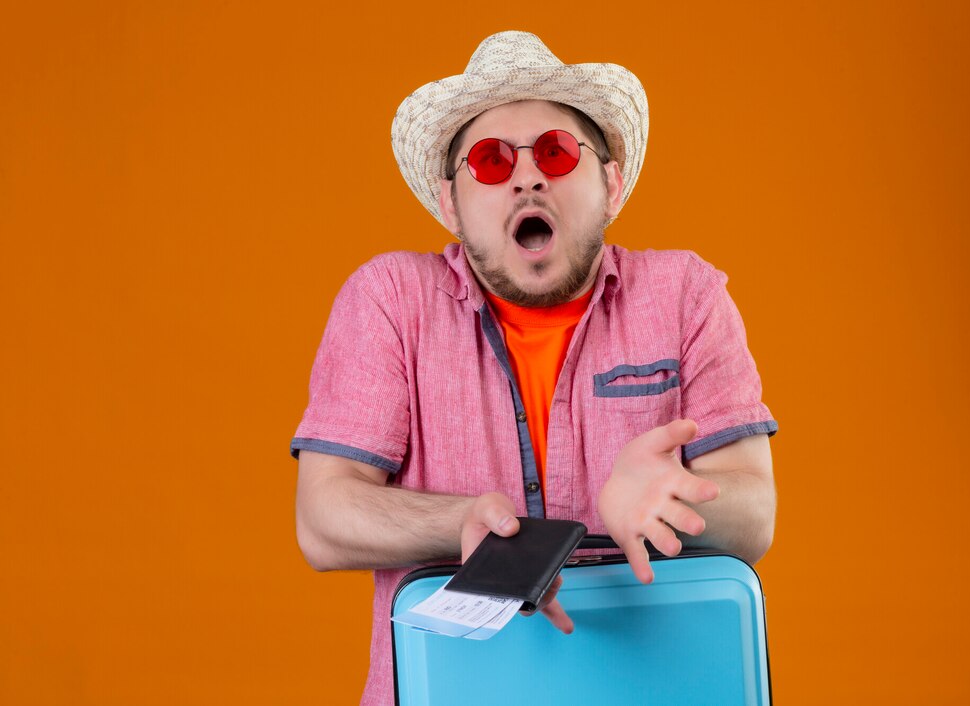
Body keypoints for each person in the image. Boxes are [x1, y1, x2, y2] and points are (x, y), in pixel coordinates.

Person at [291, 31, 777, 704]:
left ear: (607, 184)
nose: (527, 175)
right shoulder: (391, 301)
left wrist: (668, 497)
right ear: (449, 203)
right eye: (490, 161)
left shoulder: (686, 294)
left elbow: (755, 515)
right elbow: (321, 519)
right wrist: (464, 521)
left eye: (555, 150)